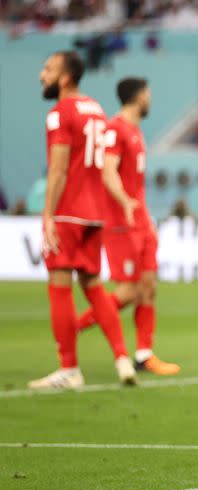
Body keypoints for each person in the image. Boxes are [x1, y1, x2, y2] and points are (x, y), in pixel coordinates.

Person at [31, 51, 137, 389]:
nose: (41, 75)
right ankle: (122, 359)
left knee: (60, 286)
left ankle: (69, 368)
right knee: (93, 287)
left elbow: (59, 168)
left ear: (65, 77)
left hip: (67, 211)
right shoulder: (96, 108)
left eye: (47, 69)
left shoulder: (59, 113)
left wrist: (47, 214)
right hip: (95, 214)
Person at [74, 77, 180, 376]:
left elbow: (134, 184)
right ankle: (74, 327)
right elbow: (108, 172)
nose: (150, 99)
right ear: (137, 97)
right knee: (129, 291)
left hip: (140, 222)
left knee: (149, 287)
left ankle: (144, 355)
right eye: (147, 94)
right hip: (121, 223)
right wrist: (125, 203)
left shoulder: (135, 131)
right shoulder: (115, 129)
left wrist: (147, 220)